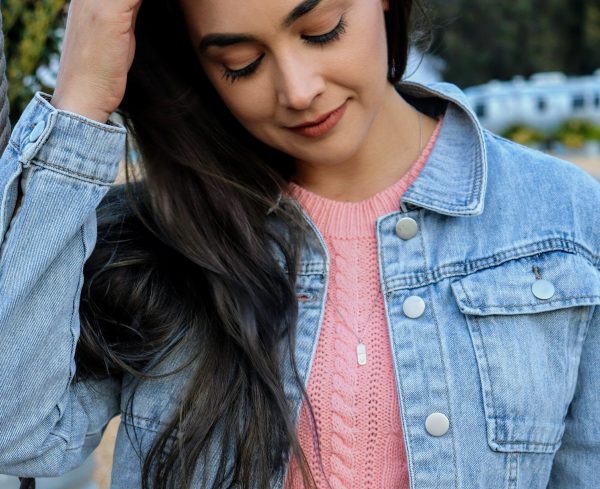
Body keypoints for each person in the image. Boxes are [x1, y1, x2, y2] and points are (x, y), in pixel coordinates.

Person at [0, 0, 598, 488]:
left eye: (322, 30)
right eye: (240, 63)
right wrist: (79, 99)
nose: (298, 89)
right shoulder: (162, 236)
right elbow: (14, 431)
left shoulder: (560, 217)